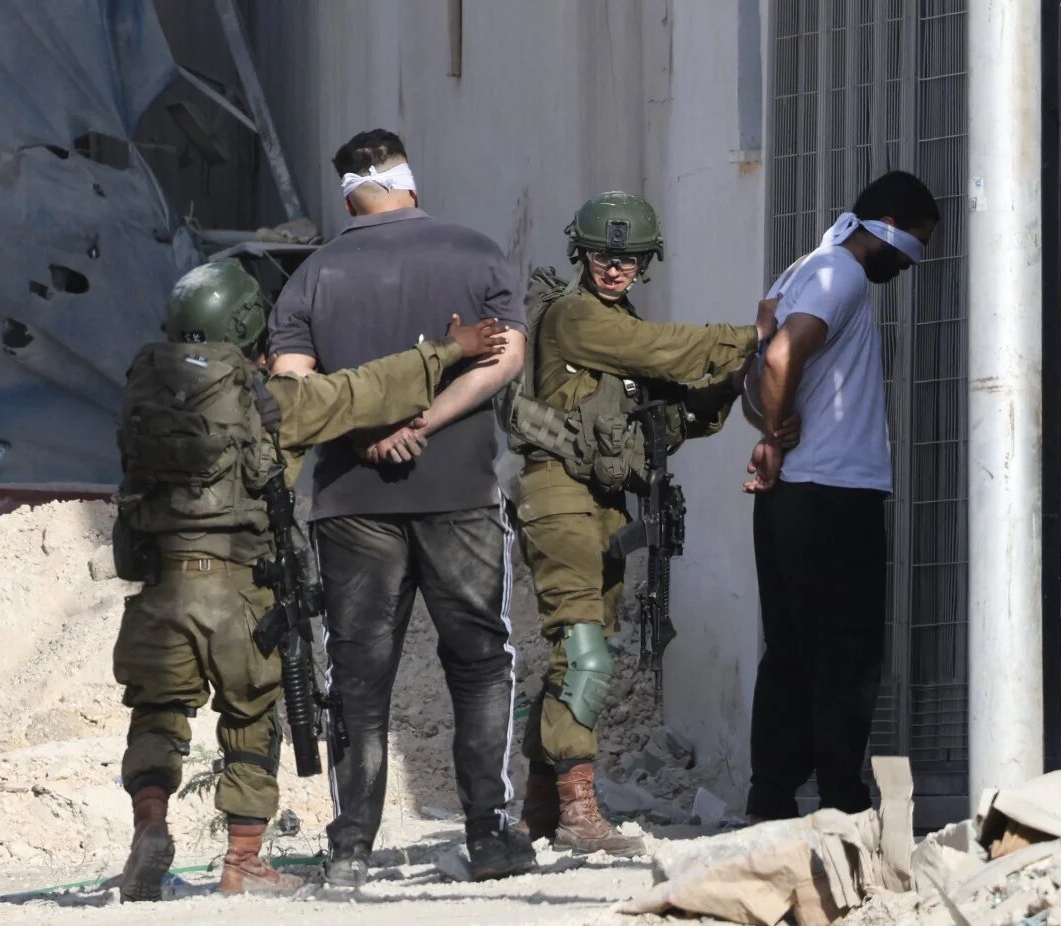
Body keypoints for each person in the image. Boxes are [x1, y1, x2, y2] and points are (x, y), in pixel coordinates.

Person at [113, 257, 506, 900]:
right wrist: (448, 349)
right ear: (245, 324)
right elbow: (368, 389)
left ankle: (149, 826)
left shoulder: (144, 395)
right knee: (251, 718)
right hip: (238, 591)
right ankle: (243, 863)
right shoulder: (269, 403)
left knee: (157, 716)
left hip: (160, 589)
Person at [268, 128, 534, 885]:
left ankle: (351, 848)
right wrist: (423, 423)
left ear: (347, 193)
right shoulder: (474, 253)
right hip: (459, 491)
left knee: (357, 672)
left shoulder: (310, 276)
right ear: (409, 183)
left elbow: (292, 388)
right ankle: (488, 834)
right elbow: (506, 356)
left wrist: (368, 432)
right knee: (481, 662)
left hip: (349, 498)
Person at [504, 192, 777, 856]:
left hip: (598, 500)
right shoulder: (576, 317)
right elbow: (663, 351)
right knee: (585, 653)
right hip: (559, 496)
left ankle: (541, 807)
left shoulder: (613, 324)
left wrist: (726, 379)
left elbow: (672, 414)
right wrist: (753, 337)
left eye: (627, 259)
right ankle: (576, 812)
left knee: (579, 651)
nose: (613, 269)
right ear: (580, 253)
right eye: (602, 255)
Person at [740, 170, 939, 821]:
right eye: (915, 244)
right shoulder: (840, 274)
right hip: (832, 495)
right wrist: (774, 433)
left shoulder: (800, 268)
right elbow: (776, 362)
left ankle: (770, 797)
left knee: (793, 648)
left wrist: (771, 434)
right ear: (888, 229)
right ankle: (841, 800)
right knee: (845, 650)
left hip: (792, 498)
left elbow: (760, 355)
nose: (913, 263)